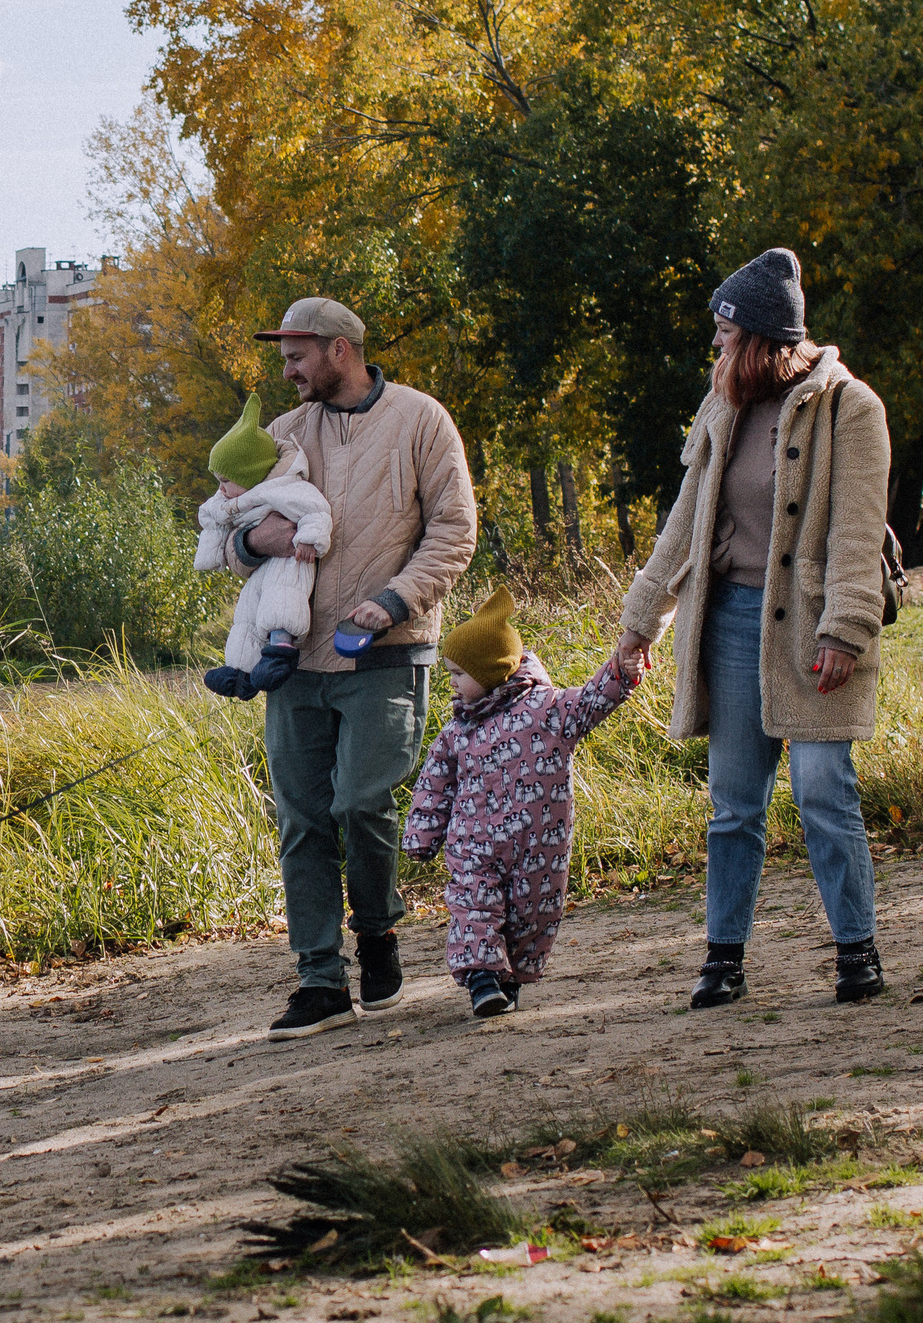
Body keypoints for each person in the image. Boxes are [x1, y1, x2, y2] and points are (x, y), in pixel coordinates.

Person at [615, 248, 894, 1009]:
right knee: (734, 804)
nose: (715, 345)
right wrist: (641, 619)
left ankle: (856, 949)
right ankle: (724, 958)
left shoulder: (851, 409)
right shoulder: (723, 404)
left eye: (726, 332)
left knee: (822, 791)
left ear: (768, 340)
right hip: (730, 625)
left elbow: (856, 532)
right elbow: (685, 525)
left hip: (812, 628)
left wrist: (844, 628)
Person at [233, 298, 478, 1038]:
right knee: (301, 818)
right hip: (295, 654)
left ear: (339, 351)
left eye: (296, 355)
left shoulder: (421, 420)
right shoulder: (282, 434)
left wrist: (395, 599)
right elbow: (232, 524)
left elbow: (456, 528)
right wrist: (256, 542)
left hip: (387, 650)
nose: (287, 369)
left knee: (361, 804)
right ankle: (318, 978)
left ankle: (378, 933)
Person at [404, 586, 639, 1018]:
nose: (452, 683)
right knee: (474, 904)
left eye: (459, 673)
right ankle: (481, 977)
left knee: (531, 915)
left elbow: (589, 702)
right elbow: (434, 785)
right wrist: (422, 835)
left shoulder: (546, 711)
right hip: (472, 844)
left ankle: (507, 978)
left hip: (538, 845)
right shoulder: (458, 731)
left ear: (491, 670)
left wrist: (620, 672)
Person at [195, 394, 332, 696]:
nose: (220, 488)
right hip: (260, 568)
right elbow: (213, 518)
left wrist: (310, 539)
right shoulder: (234, 499)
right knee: (246, 614)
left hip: (291, 559)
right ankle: (239, 671)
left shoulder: (286, 490)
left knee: (282, 600)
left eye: (226, 480)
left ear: (251, 476)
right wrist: (222, 549)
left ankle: (280, 651)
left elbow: (315, 509)